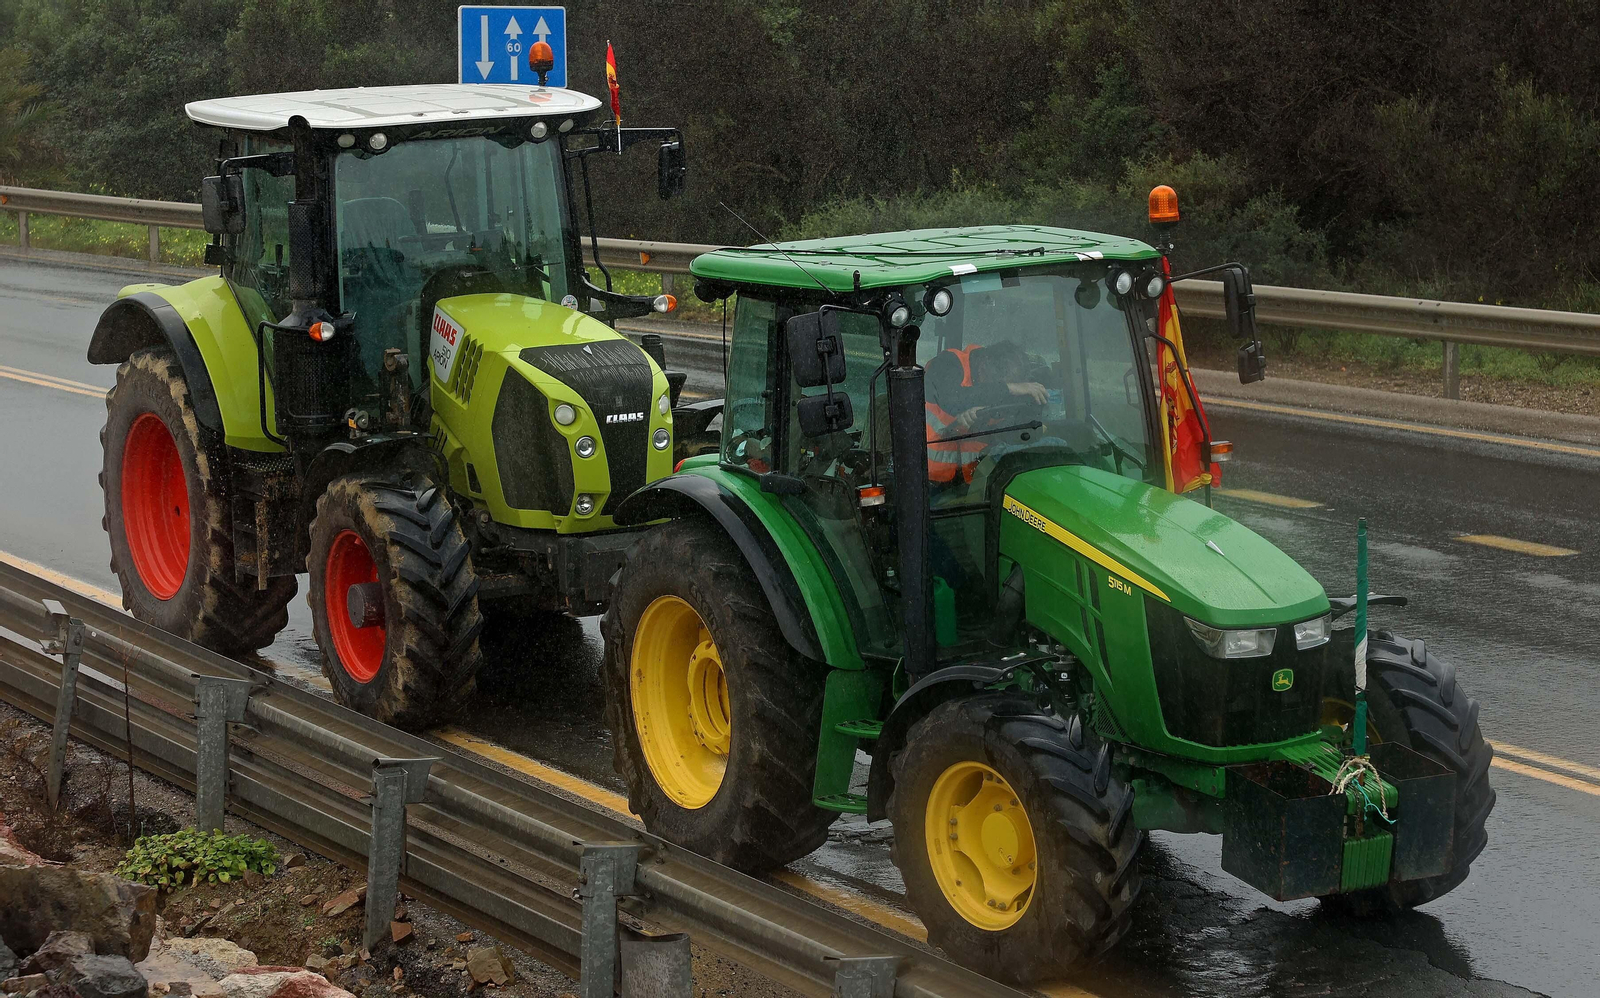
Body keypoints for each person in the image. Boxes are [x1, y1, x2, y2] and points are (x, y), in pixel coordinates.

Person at [924, 340, 1048, 484]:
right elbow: (951, 401)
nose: (995, 395)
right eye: (994, 383)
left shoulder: (1004, 387)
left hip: (976, 480)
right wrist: (1007, 388)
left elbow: (1007, 429)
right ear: (984, 363)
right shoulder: (947, 363)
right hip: (928, 477)